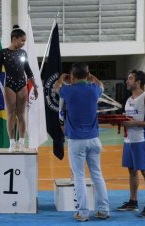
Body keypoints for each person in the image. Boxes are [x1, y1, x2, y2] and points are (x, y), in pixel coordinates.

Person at [55, 62, 109, 222]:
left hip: (76, 141)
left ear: (71, 76)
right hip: (94, 139)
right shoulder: (94, 90)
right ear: (88, 75)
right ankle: (104, 210)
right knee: (97, 175)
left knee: (79, 177)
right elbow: (101, 85)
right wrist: (91, 77)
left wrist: (60, 79)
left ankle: (83, 212)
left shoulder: (69, 91)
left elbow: (56, 89)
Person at [116, 70, 145, 217]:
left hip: (141, 139)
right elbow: (130, 119)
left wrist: (135, 124)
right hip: (129, 140)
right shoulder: (128, 100)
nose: (127, 81)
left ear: (138, 82)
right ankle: (133, 201)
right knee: (131, 170)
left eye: (130, 78)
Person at [0, 25, 38, 152]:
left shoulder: (23, 53)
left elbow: (28, 71)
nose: (23, 43)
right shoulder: (3, 53)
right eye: (22, 40)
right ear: (14, 38)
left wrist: (35, 86)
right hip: (9, 85)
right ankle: (12, 142)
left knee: (21, 114)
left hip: (22, 84)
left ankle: (22, 141)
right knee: (11, 114)